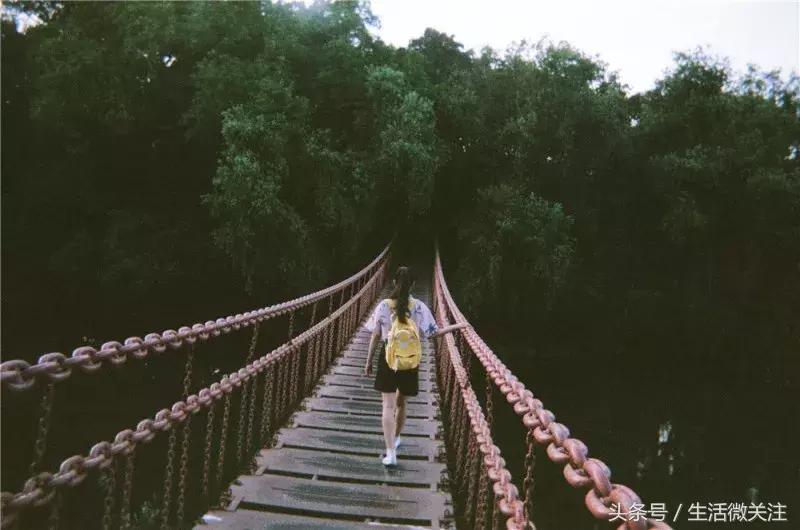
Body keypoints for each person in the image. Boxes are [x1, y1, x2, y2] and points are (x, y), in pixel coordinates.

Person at [363, 266, 469, 466]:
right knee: (401, 403)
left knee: (388, 406)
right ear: (413, 285)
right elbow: (433, 333)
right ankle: (396, 437)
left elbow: (375, 335)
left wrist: (368, 361)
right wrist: (457, 326)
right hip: (411, 360)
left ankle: (390, 453)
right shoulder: (419, 307)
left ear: (394, 282)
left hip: (388, 358)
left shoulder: (383, 306)